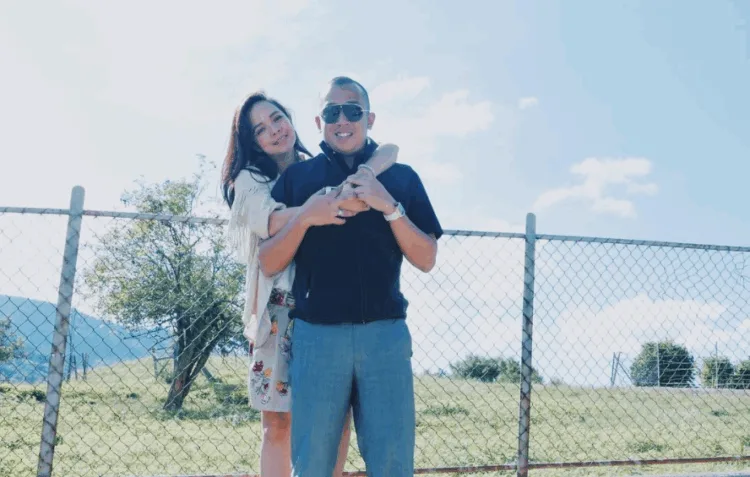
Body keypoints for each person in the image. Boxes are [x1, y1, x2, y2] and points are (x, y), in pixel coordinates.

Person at [258, 76, 443, 477]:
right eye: (331, 112)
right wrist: (307, 217)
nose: (342, 120)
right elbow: (268, 261)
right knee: (312, 466)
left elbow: (427, 258)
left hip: (385, 336)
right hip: (317, 338)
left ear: (369, 118)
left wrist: (388, 205)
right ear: (319, 122)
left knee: (393, 464)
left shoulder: (402, 178)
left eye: (352, 110)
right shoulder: (297, 180)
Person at [221, 91, 399, 477]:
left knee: (335, 421)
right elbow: (270, 222)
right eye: (260, 129)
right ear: (252, 142)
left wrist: (361, 178)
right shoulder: (250, 179)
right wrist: (315, 209)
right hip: (278, 308)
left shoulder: (315, 167)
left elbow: (389, 149)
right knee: (278, 422)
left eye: (277, 118)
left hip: (324, 305)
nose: (274, 131)